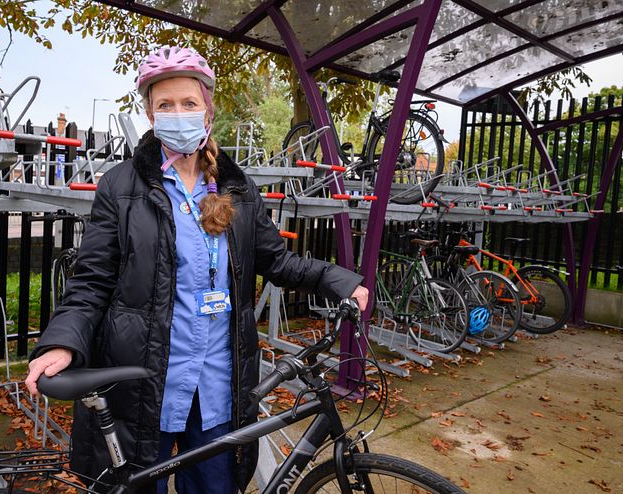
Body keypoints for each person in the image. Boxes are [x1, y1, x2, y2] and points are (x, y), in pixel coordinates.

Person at [25, 45, 369, 494]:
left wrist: (336, 278)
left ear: (207, 110)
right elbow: (92, 279)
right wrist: (62, 342)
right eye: (164, 104)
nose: (177, 113)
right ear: (150, 113)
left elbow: (276, 260)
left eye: (189, 103)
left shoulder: (234, 185)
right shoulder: (122, 185)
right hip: (145, 382)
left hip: (217, 384)